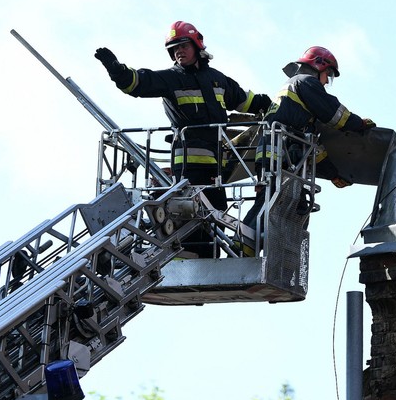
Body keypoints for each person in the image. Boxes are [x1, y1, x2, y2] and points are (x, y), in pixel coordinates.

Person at [94, 21, 273, 258]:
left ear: (197, 45)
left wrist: (269, 104)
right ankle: (181, 260)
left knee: (214, 214)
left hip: (217, 168)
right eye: (174, 48)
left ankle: (205, 262)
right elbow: (137, 83)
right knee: (188, 215)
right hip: (188, 166)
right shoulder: (171, 79)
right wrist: (116, 70)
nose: (178, 51)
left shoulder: (217, 80)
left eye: (183, 45)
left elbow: (244, 100)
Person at [244, 46, 375, 231]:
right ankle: (245, 243)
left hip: (277, 153)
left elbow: (313, 147)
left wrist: (333, 175)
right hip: (280, 153)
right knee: (271, 201)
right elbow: (335, 114)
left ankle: (256, 247)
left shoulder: (299, 107)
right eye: (328, 74)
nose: (326, 82)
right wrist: (358, 123)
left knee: (283, 206)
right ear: (319, 66)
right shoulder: (305, 82)